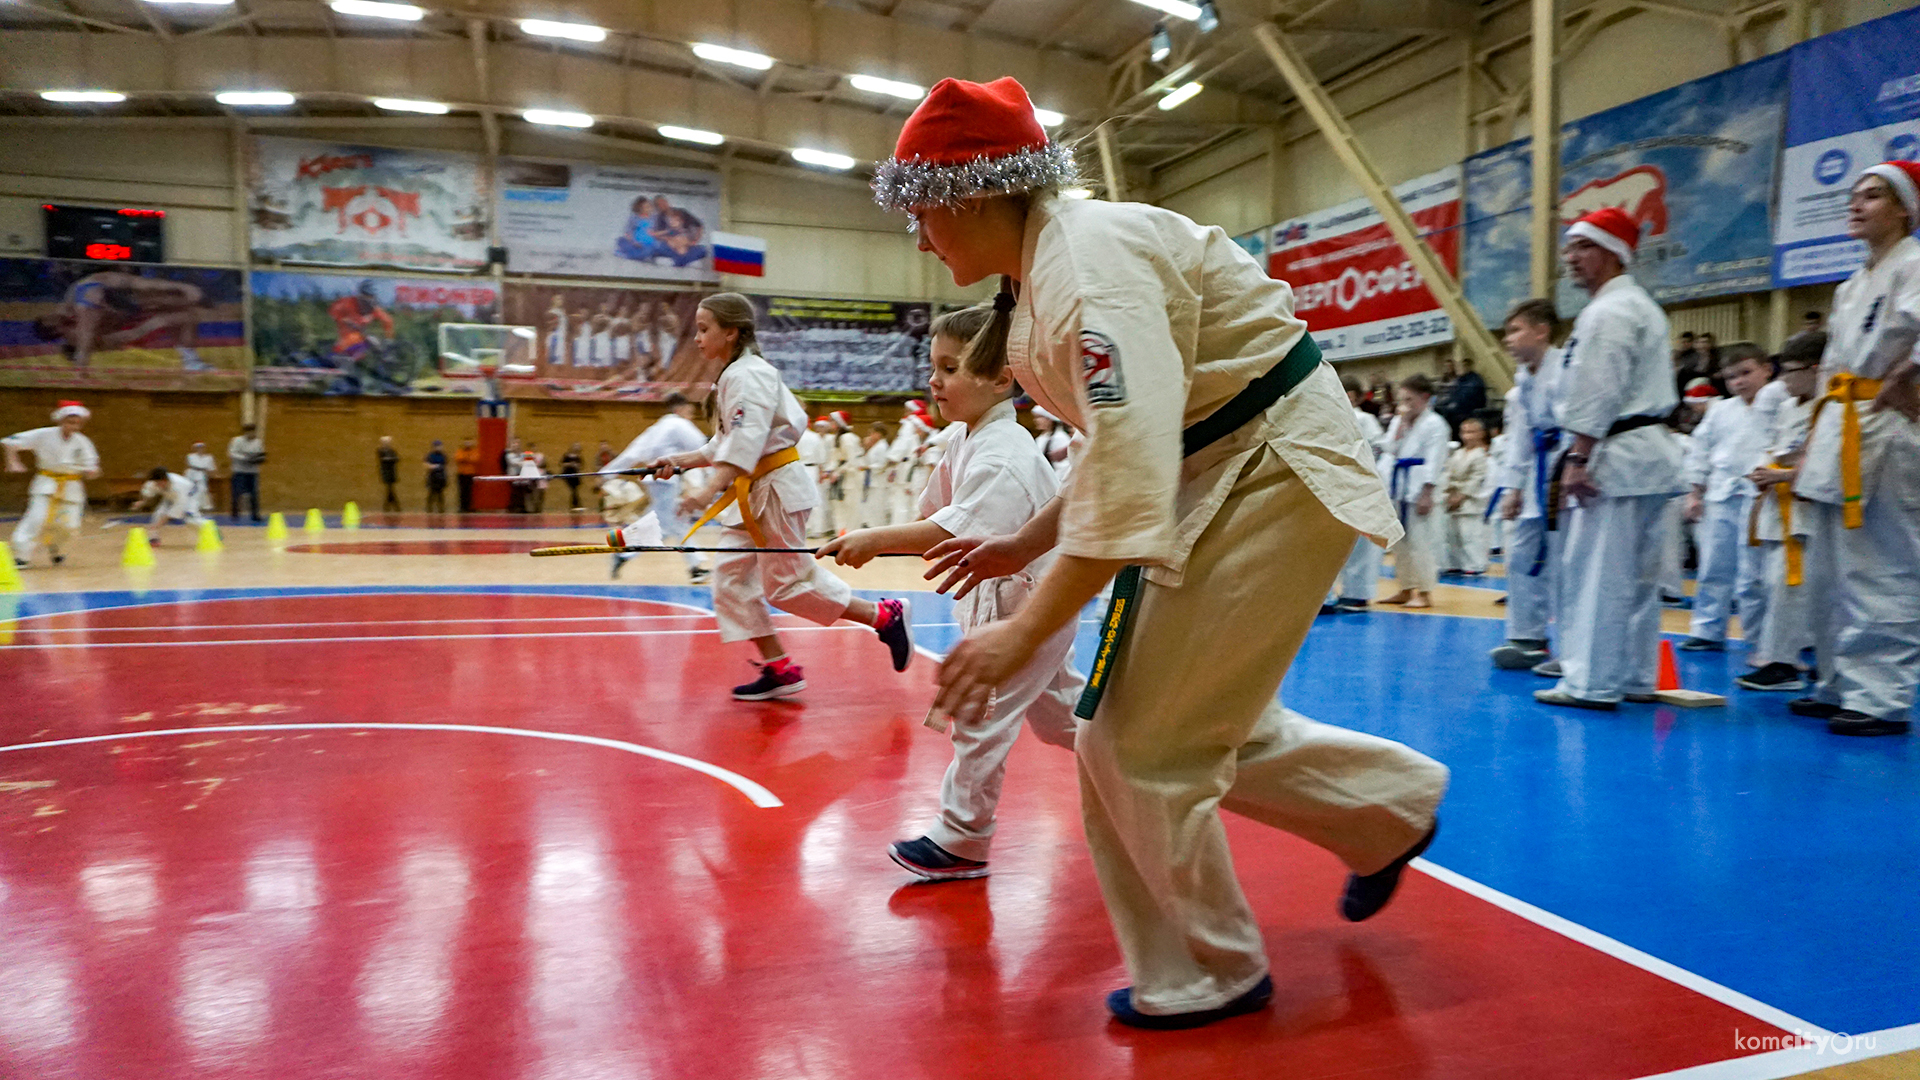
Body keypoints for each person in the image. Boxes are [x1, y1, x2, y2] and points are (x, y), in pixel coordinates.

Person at [884, 77, 1446, 1029]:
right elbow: (1122, 451)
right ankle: (1384, 809)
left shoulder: (1087, 274)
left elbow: (1133, 474)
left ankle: (1210, 970)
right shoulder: (1042, 274)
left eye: (923, 215)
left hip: (1275, 467)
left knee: (1138, 741)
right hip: (1217, 467)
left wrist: (1024, 631)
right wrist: (1022, 542)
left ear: (970, 196)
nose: (920, 237)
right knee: (1164, 727)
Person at [819, 305, 1084, 881]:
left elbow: (946, 530)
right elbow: (937, 511)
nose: (935, 380)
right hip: (1004, 600)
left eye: (951, 367)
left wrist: (874, 540)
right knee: (1061, 719)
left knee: (978, 714)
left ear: (1001, 377)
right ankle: (1138, 762)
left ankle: (964, 837)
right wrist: (875, 539)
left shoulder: (1006, 452)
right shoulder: (965, 436)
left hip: (1027, 608)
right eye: (933, 366)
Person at [626, 294, 914, 700]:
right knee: (728, 579)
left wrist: (707, 490)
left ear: (732, 331)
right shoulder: (733, 375)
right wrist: (679, 461)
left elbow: (747, 440)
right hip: (754, 492)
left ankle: (884, 616)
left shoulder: (749, 375)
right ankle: (779, 667)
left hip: (776, 490)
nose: (696, 338)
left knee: (787, 586)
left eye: (704, 329)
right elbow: (722, 444)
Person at [1534, 207, 1685, 711]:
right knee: (1639, 579)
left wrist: (1579, 455)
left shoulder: (1609, 312)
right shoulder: (1637, 306)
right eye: (1570, 248)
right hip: (1646, 457)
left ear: (1612, 252)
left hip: (1614, 456)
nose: (1571, 258)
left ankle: (1591, 683)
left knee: (1598, 576)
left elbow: (1599, 388)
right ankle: (1636, 676)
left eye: (1582, 247)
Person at [1789, 161, 1920, 736]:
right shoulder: (1850, 286)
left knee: (1884, 567)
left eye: (1873, 196)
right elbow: (1831, 373)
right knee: (1836, 569)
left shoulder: (1914, 262)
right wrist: (1806, 443)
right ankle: (1839, 680)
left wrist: (1910, 373)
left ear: (1904, 210)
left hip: (1888, 428)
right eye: (1854, 195)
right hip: (1842, 422)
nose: (1857, 204)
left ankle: (1881, 698)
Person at [1737, 332, 1825, 691]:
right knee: (1776, 586)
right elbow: (1774, 447)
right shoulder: (1788, 407)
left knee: (1797, 590)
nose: (1783, 381)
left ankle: (1787, 662)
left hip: (1810, 510)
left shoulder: (1831, 406)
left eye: (1791, 372)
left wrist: (1787, 474)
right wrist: (1764, 471)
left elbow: (1827, 461)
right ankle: (1780, 658)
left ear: (1816, 369)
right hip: (1779, 506)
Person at [1678, 344, 1775, 653]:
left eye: (1746, 373)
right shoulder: (1720, 410)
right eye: (1732, 377)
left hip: (1763, 497)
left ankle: (1759, 638)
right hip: (1721, 494)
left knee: (1753, 574)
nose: (1739, 382)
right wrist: (1695, 492)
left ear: (1766, 369)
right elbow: (1700, 450)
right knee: (1714, 567)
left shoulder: (1781, 404)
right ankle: (1707, 630)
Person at [1489, 300, 1567, 672]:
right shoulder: (1522, 383)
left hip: (1565, 472)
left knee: (1566, 563)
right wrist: (1512, 488)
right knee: (1520, 557)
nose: (1509, 340)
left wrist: (1575, 469)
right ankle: (1526, 637)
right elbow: (1519, 438)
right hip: (1534, 475)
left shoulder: (1568, 368)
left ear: (1542, 331)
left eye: (1516, 330)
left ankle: (1570, 648)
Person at [606, 392, 714, 582]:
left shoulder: (659, 426)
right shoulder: (678, 423)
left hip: (656, 480)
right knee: (664, 525)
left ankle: (695, 567)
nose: (691, 416)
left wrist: (608, 472)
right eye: (689, 412)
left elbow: (634, 450)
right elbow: (702, 446)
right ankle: (624, 551)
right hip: (666, 480)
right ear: (679, 409)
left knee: (677, 520)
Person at [31, 270, 210, 370]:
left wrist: (183, 287)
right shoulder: (83, 317)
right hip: (126, 328)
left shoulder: (86, 291)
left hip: (121, 312)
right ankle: (190, 360)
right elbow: (122, 337)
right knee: (181, 315)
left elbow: (142, 283)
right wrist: (155, 324)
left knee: (181, 309)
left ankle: (190, 358)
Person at [1378, 373, 1450, 609]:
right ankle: (1406, 588)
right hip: (1399, 485)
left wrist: (1427, 492)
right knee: (1399, 543)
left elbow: (1436, 461)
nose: (1405, 405)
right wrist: (1401, 426)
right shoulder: (1401, 421)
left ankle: (1425, 592)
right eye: (1403, 400)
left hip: (1420, 487)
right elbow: (1389, 448)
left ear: (1425, 397)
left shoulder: (1436, 424)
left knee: (1421, 543)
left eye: (1410, 399)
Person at [4, 401, 100, 567]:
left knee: (70, 526)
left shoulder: (83, 442)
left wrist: (92, 472)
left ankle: (56, 548)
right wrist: (13, 461)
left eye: (77, 423)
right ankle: (21, 555)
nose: (74, 426)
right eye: (70, 422)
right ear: (61, 420)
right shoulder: (43, 434)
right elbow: (9, 442)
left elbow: (92, 466)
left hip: (72, 486)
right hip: (46, 483)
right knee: (36, 518)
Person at [1324, 374, 1387, 613]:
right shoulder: (1329, 418)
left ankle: (1357, 594)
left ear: (1350, 396)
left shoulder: (1365, 420)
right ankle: (1330, 595)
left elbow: (1376, 451)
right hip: (1338, 485)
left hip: (1361, 485)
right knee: (1332, 544)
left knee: (1360, 545)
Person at [1442, 417, 1492, 575]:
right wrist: (1448, 492)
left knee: (1469, 535)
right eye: (1464, 432)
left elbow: (1476, 478)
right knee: (1452, 535)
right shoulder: (1457, 453)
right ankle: (1455, 562)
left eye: (1471, 432)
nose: (1467, 436)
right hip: (1451, 496)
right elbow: (1447, 473)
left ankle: (1475, 564)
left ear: (1481, 434)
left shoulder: (1481, 455)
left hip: (1470, 500)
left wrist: (1461, 495)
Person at [135, 466, 204, 542]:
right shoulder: (153, 483)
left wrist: (159, 524)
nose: (157, 485)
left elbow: (177, 507)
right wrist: (142, 502)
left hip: (190, 496)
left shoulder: (179, 485)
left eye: (159, 483)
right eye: (156, 483)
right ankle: (154, 538)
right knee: (158, 514)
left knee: (191, 520)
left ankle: (210, 530)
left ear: (165, 480)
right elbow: (149, 493)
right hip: (170, 497)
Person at [798, 418, 833, 539]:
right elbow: (822, 457)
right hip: (813, 469)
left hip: (798, 468)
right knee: (816, 499)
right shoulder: (815, 437)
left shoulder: (795, 436)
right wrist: (821, 471)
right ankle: (817, 529)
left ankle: (803, 528)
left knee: (799, 500)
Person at [227, 422, 265, 523]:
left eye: (253, 432)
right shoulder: (237, 441)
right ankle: (235, 513)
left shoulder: (257, 442)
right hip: (239, 470)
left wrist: (259, 458)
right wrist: (245, 458)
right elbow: (231, 453)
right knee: (236, 493)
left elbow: (260, 453)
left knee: (254, 494)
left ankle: (255, 514)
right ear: (245, 432)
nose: (251, 434)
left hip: (252, 471)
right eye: (249, 432)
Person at [185, 440, 218, 516]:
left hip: (202, 475)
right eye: (198, 448)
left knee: (202, 490)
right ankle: (190, 508)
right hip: (191, 475)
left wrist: (212, 475)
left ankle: (203, 507)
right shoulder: (190, 456)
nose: (200, 449)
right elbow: (189, 466)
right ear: (195, 449)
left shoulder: (209, 457)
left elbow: (211, 468)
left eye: (202, 448)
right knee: (191, 492)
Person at [454, 438, 480, 513]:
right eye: (466, 442)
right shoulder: (460, 451)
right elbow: (458, 458)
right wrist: (467, 459)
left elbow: (475, 459)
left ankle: (469, 507)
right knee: (462, 491)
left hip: (470, 474)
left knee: (469, 491)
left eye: (469, 442)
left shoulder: (474, 451)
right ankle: (462, 507)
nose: (467, 444)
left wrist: (465, 459)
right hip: (461, 474)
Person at [424, 439, 449, 515]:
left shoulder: (443, 455)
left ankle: (441, 508)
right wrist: (432, 466)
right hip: (432, 476)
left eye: (439, 446)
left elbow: (444, 465)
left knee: (440, 493)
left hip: (441, 476)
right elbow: (426, 464)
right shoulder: (430, 455)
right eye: (436, 446)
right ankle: (429, 508)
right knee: (431, 493)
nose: (438, 448)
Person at [376, 435, 401, 513]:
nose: (387, 443)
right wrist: (390, 459)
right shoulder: (380, 451)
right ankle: (394, 506)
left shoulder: (392, 451)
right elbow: (383, 460)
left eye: (388, 442)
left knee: (390, 489)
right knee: (390, 489)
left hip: (392, 472)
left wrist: (389, 459)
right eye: (385, 442)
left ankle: (388, 506)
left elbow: (397, 459)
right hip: (385, 472)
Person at [559, 443, 585, 512]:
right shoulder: (567, 455)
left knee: (574, 490)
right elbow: (562, 464)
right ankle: (576, 504)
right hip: (568, 473)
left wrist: (576, 466)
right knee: (573, 490)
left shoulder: (579, 457)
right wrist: (570, 464)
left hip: (575, 474)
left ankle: (575, 505)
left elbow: (581, 465)